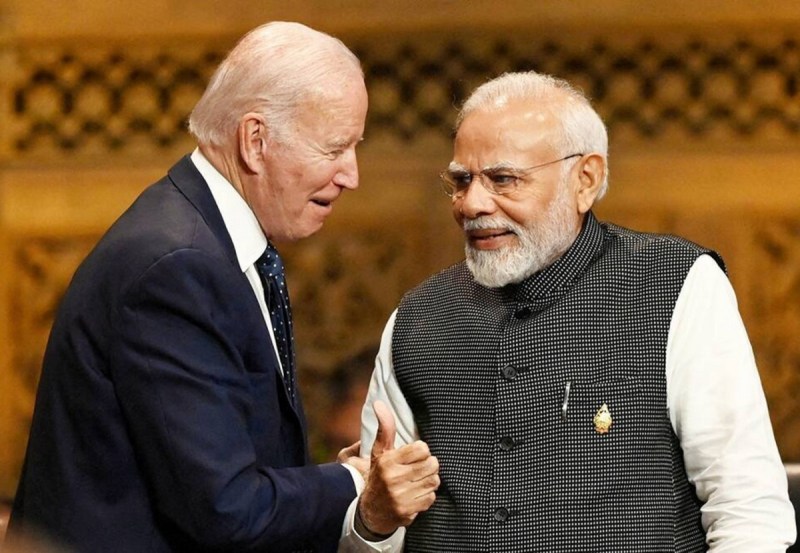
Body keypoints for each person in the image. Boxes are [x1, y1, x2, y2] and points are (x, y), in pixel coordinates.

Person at [8, 21, 438, 553]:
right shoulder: (177, 266)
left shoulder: (205, 237)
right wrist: (355, 482)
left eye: (356, 147)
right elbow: (226, 510)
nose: (352, 174)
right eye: (334, 149)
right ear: (255, 141)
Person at [342, 71, 796, 551]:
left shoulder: (676, 284)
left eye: (503, 179)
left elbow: (746, 511)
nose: (471, 204)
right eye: (461, 180)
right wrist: (372, 519)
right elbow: (372, 535)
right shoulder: (418, 319)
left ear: (586, 180)